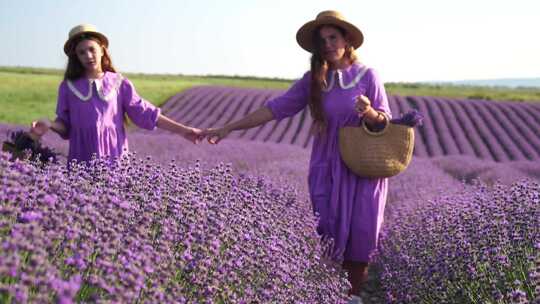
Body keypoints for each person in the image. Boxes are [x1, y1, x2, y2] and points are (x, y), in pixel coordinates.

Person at [203, 11, 391, 303]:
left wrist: (368, 112)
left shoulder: (369, 76)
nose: (328, 44)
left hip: (363, 168)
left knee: (361, 237)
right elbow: (274, 109)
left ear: (347, 39)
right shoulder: (313, 80)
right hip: (327, 167)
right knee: (328, 235)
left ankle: (352, 297)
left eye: (333, 37)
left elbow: (384, 122)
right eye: (322, 40)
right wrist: (229, 127)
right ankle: (331, 296)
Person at [30, 24, 203, 163]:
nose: (88, 56)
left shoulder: (119, 83)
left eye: (92, 49)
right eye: (81, 52)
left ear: (102, 49)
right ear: (76, 56)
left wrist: (183, 130)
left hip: (115, 159)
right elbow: (66, 126)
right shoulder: (68, 87)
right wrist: (49, 124)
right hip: (81, 161)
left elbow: (146, 113)